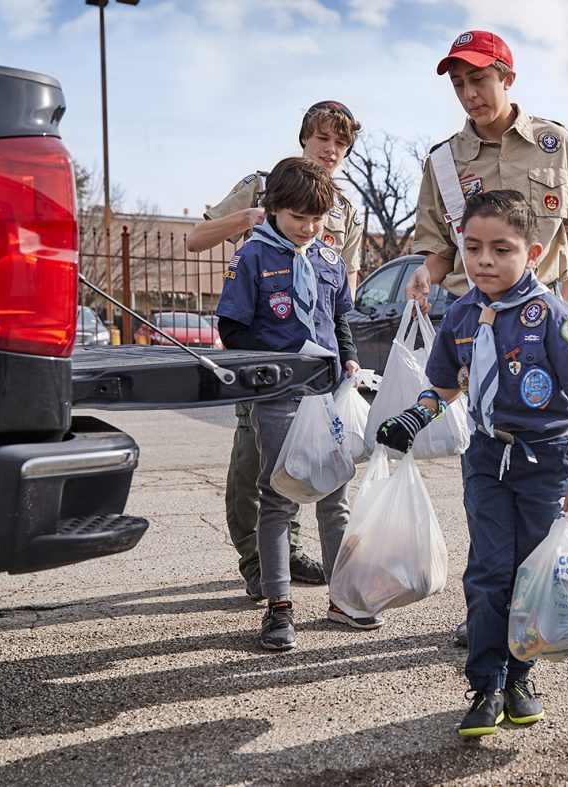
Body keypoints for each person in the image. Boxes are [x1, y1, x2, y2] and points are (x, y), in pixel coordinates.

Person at [376, 190, 568, 734]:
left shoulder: (552, 315)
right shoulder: (459, 313)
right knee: (486, 572)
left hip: (545, 460)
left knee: (530, 573)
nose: (484, 260)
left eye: (501, 249)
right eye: (473, 247)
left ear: (532, 252)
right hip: (485, 456)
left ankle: (521, 677)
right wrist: (415, 416)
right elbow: (447, 384)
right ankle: (486, 686)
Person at [186, 101, 364, 603]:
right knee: (257, 460)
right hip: (265, 351)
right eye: (323, 138)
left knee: (322, 461)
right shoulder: (265, 187)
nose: (331, 150)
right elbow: (197, 239)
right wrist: (248, 217)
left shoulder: (342, 209)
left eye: (342, 144)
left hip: (317, 361)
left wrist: (339, 349)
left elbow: (341, 288)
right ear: (304, 137)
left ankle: (292, 553)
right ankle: (258, 561)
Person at [215, 157, 380, 651]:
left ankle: (343, 595)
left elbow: (340, 320)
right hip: (279, 395)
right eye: (297, 219)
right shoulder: (252, 258)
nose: (308, 229)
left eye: (317, 219)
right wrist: (274, 363)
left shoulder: (328, 260)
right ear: (272, 210)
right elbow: (232, 328)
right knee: (279, 496)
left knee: (335, 494)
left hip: (327, 394)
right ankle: (279, 606)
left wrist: (348, 360)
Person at [405, 30, 568, 310]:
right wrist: (424, 273)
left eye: (478, 79)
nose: (469, 94)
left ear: (508, 79)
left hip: (543, 306)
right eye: (458, 84)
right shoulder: (442, 161)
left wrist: (566, 298)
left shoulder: (557, 145)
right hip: (469, 310)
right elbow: (441, 253)